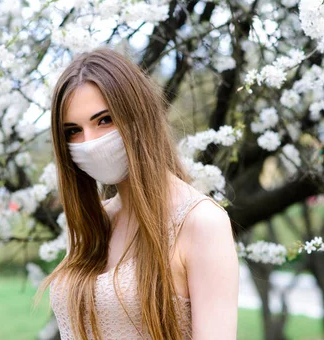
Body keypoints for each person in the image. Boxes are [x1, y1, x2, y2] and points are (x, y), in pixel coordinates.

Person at [35, 47, 239, 339]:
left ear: (137, 116)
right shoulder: (92, 223)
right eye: (73, 131)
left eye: (104, 120)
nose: (89, 142)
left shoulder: (200, 222)